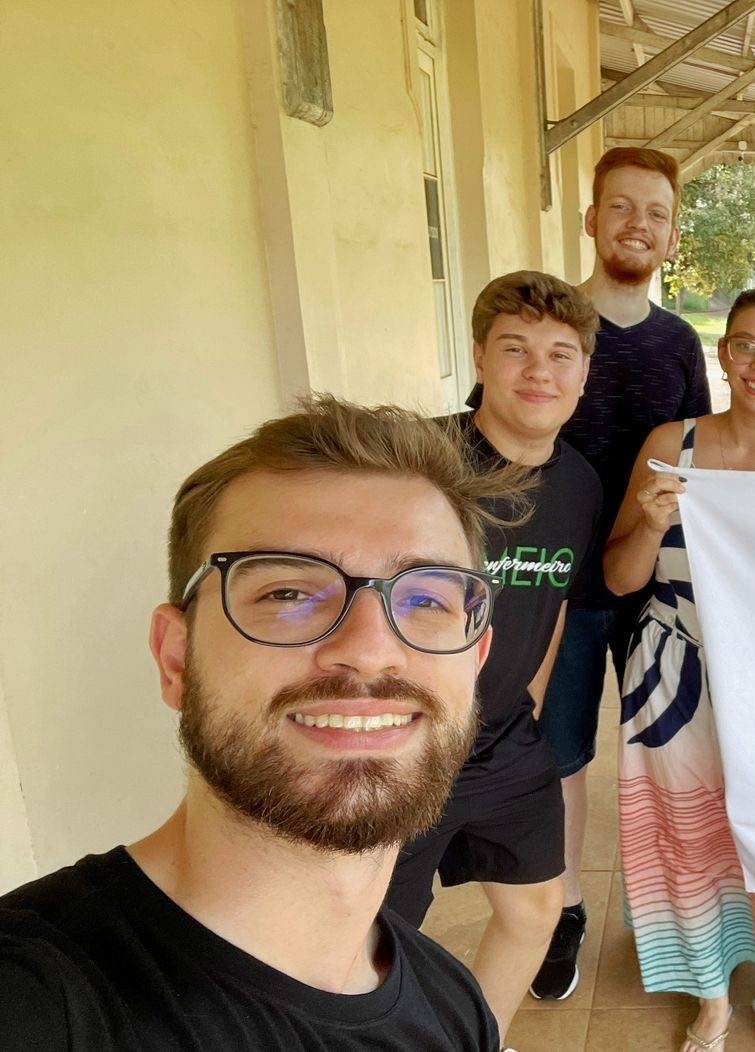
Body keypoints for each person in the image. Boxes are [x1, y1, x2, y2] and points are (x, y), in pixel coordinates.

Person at [0, 396, 520, 1050]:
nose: (369, 649)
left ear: (474, 662)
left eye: (425, 600)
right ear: (176, 658)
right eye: (287, 594)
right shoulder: (37, 1001)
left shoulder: (454, 1007)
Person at [606, 287, 755, 1052]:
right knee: (684, 834)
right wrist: (649, 526)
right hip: (668, 674)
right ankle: (710, 997)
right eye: (745, 345)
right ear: (723, 353)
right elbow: (618, 578)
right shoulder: (668, 445)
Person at [385, 271, 603, 1036]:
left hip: (505, 738)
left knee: (536, 909)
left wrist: (527, 707)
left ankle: (477, 1038)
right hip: (405, 742)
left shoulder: (579, 483)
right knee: (371, 937)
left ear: (584, 372)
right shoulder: (422, 464)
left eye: (560, 354)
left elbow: (554, 601)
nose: (539, 371)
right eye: (516, 349)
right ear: (479, 357)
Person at [528, 146, 713, 999]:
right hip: (560, 589)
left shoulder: (678, 343)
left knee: (667, 756)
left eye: (656, 212)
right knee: (561, 754)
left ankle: (674, 911)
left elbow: (701, 459)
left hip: (652, 588)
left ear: (672, 236)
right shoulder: (552, 330)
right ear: (591, 219)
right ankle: (565, 908)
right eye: (622, 206)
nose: (638, 224)